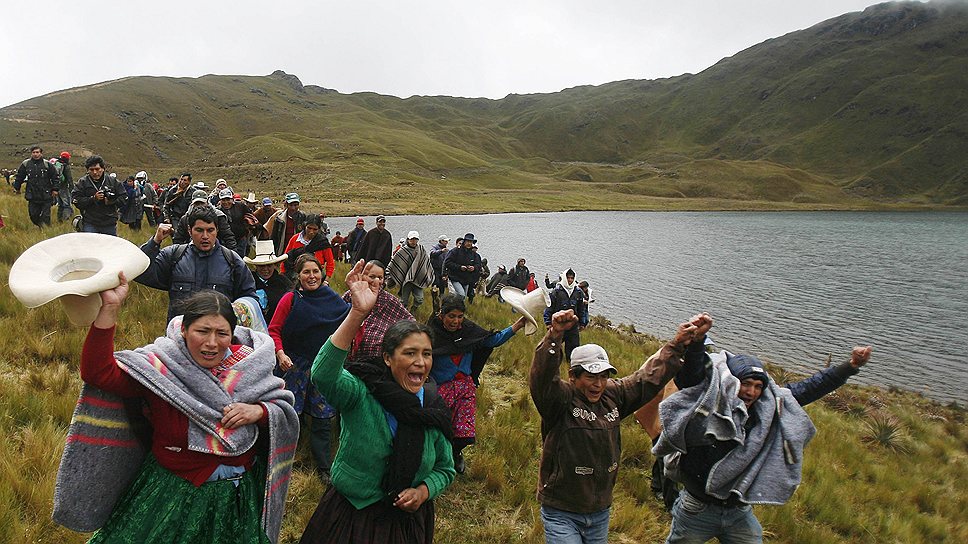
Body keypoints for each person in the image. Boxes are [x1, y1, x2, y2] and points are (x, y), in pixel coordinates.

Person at [58, 279, 299, 543]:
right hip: (172, 493)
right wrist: (110, 308)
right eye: (202, 331)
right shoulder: (162, 367)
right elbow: (98, 372)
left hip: (237, 496)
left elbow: (283, 410)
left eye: (222, 333)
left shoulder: (249, 367)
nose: (211, 343)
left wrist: (260, 412)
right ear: (184, 330)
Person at [655, 320, 873, 544]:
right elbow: (691, 376)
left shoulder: (768, 406)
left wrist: (851, 366)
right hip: (697, 507)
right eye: (746, 383)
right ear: (732, 383)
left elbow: (810, 388)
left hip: (738, 510)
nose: (751, 392)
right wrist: (698, 341)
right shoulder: (711, 401)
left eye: (758, 386)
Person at [299, 260, 455, 543]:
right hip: (351, 516)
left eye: (427, 354)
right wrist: (357, 313)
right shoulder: (361, 393)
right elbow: (323, 374)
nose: (419, 362)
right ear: (387, 358)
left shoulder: (431, 407)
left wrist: (423, 491)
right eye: (409, 354)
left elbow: (445, 468)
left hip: (407, 523)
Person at [530, 310, 710, 544]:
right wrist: (554, 336)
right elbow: (542, 377)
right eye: (591, 377)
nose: (598, 384)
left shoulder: (614, 395)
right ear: (572, 376)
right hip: (561, 510)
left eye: (604, 376)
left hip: (599, 511)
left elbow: (646, 379)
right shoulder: (558, 400)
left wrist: (677, 344)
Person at [268, 254, 349, 480]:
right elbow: (274, 330)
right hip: (293, 365)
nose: (311, 276)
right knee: (291, 415)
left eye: (315, 271)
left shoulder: (334, 300)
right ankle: (282, 460)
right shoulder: (290, 299)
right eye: (306, 272)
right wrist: (280, 353)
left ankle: (323, 467)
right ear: (298, 275)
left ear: (321, 273)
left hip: (323, 365)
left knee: (323, 417)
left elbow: (347, 326)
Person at [428, 294, 526, 473]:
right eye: (451, 316)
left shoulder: (469, 331)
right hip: (439, 390)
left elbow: (493, 340)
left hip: (465, 388)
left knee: (464, 429)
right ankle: (435, 457)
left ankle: (456, 453)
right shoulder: (430, 335)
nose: (456, 321)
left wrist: (517, 325)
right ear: (441, 315)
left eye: (460, 316)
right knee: (439, 426)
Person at [135, 205, 256, 322]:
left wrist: (233, 319)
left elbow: (250, 297)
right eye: (199, 230)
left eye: (210, 230)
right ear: (189, 231)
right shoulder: (174, 256)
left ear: (217, 230)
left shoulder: (232, 260)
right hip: (180, 338)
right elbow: (141, 273)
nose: (205, 236)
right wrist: (155, 241)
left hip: (217, 339)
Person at [340, 260, 415, 365]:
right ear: (362, 276)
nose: (376, 281)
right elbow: (337, 317)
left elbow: (411, 322)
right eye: (372, 276)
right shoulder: (351, 295)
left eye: (380, 278)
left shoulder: (389, 300)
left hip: (378, 362)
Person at [71, 155, 127, 235]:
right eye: (91, 170)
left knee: (109, 246)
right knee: (90, 246)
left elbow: (124, 198)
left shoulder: (113, 182)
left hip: (109, 222)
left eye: (97, 169)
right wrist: (93, 199)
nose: (95, 172)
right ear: (87, 170)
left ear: (103, 169)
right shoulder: (82, 183)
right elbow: (76, 200)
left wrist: (111, 201)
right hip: (90, 222)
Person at [543, 269, 588, 361]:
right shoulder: (556, 291)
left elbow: (581, 309)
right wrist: (548, 322)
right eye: (568, 278)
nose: (570, 280)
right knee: (553, 347)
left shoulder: (578, 292)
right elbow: (549, 307)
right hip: (558, 324)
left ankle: (570, 366)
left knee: (573, 348)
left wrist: (582, 323)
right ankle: (551, 366)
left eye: (572, 278)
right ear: (564, 277)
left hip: (573, 325)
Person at [386, 230, 435, 313]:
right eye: (412, 239)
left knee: (420, 299)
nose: (413, 241)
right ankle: (402, 314)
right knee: (404, 301)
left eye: (415, 239)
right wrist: (388, 274)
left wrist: (428, 274)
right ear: (408, 239)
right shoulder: (402, 251)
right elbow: (394, 263)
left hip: (417, 279)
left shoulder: (421, 249)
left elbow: (426, 263)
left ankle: (412, 311)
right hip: (406, 281)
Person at [245, 240, 293, 323]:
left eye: (269, 265)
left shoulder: (284, 282)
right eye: (261, 266)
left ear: (274, 265)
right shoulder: (248, 281)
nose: (265, 269)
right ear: (256, 266)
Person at [13, 145, 61, 226]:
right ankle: (40, 225)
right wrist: (17, 188)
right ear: (31, 153)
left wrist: (55, 189)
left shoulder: (48, 164)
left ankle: (45, 231)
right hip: (32, 194)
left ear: (41, 153)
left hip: (46, 194)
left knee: (46, 216)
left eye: (37, 152)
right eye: (34, 152)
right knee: (33, 215)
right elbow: (19, 177)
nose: (35, 154)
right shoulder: (26, 164)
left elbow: (55, 177)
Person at [172, 194, 238, 250]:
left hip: (216, 250)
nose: (199, 206)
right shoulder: (185, 218)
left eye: (202, 203)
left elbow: (228, 236)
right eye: (196, 204)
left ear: (207, 203)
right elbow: (178, 239)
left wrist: (232, 255)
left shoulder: (218, 216)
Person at [282, 214, 335, 280]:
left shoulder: (323, 242)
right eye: (309, 228)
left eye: (315, 229)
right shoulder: (295, 239)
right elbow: (285, 258)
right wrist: (283, 276)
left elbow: (330, 263)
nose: (311, 232)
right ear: (305, 226)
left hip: (316, 276)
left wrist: (326, 281)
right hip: (295, 275)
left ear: (319, 229)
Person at [443, 233, 481, 301]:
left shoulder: (474, 255)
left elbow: (478, 265)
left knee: (463, 299)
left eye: (471, 242)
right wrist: (460, 267)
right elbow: (447, 262)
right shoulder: (455, 251)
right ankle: (449, 302)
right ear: (464, 242)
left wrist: (473, 268)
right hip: (455, 277)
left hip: (466, 279)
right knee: (461, 295)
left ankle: (457, 310)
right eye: (468, 241)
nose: (469, 243)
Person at [217, 187, 252, 257]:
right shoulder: (217, 211)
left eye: (228, 199)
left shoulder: (240, 206)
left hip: (241, 239)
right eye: (223, 200)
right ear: (220, 201)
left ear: (232, 199)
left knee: (240, 259)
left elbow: (250, 215)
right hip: (225, 241)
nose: (226, 202)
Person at [429, 235, 450, 314]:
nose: (447, 242)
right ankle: (434, 298)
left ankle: (441, 300)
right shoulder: (434, 247)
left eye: (447, 241)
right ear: (441, 241)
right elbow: (432, 254)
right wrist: (441, 251)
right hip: (435, 269)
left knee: (442, 286)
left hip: (443, 270)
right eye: (445, 241)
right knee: (436, 283)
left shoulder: (447, 250)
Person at [54, 151, 74, 222]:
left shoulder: (57, 164)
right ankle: (66, 220)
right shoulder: (66, 166)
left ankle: (59, 219)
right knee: (67, 204)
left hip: (56, 187)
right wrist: (72, 189)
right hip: (64, 187)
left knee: (60, 204)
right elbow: (69, 178)